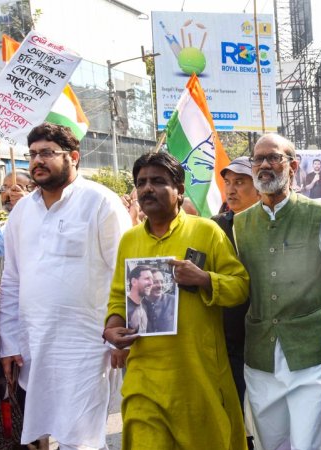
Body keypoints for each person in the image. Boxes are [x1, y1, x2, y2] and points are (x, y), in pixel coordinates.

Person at [103, 152, 250, 450]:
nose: (147, 188)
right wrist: (113, 327)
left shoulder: (206, 231)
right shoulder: (130, 240)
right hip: (144, 378)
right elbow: (119, 297)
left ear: (180, 190)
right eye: (141, 182)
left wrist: (204, 279)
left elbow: (240, 287)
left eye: (158, 181)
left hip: (197, 377)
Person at [0, 123, 131, 449]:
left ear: (73, 157)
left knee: (81, 440)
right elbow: (12, 279)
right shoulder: (22, 212)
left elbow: (124, 273)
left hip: (87, 345)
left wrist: (122, 336)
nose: (36, 161)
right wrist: (9, 342)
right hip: (34, 345)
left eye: (47, 153)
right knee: (41, 432)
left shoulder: (100, 202)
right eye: (32, 154)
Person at [233, 133, 321, 450]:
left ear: (293, 166)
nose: (264, 165)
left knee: (311, 444)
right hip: (261, 357)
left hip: (312, 355)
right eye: (258, 159)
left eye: (274, 157)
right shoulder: (239, 225)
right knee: (271, 444)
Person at [211, 156, 259, 449]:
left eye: (240, 182)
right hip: (229, 340)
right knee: (236, 418)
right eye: (228, 182)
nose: (231, 189)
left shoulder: (273, 226)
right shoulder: (213, 228)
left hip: (266, 340)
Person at [143, 268, 176, 334]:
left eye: (162, 282)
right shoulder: (138, 305)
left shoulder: (173, 301)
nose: (160, 286)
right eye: (155, 282)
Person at [126, 265, 153, 334]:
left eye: (152, 279)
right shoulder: (124, 306)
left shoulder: (146, 306)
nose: (151, 283)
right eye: (147, 278)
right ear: (134, 282)